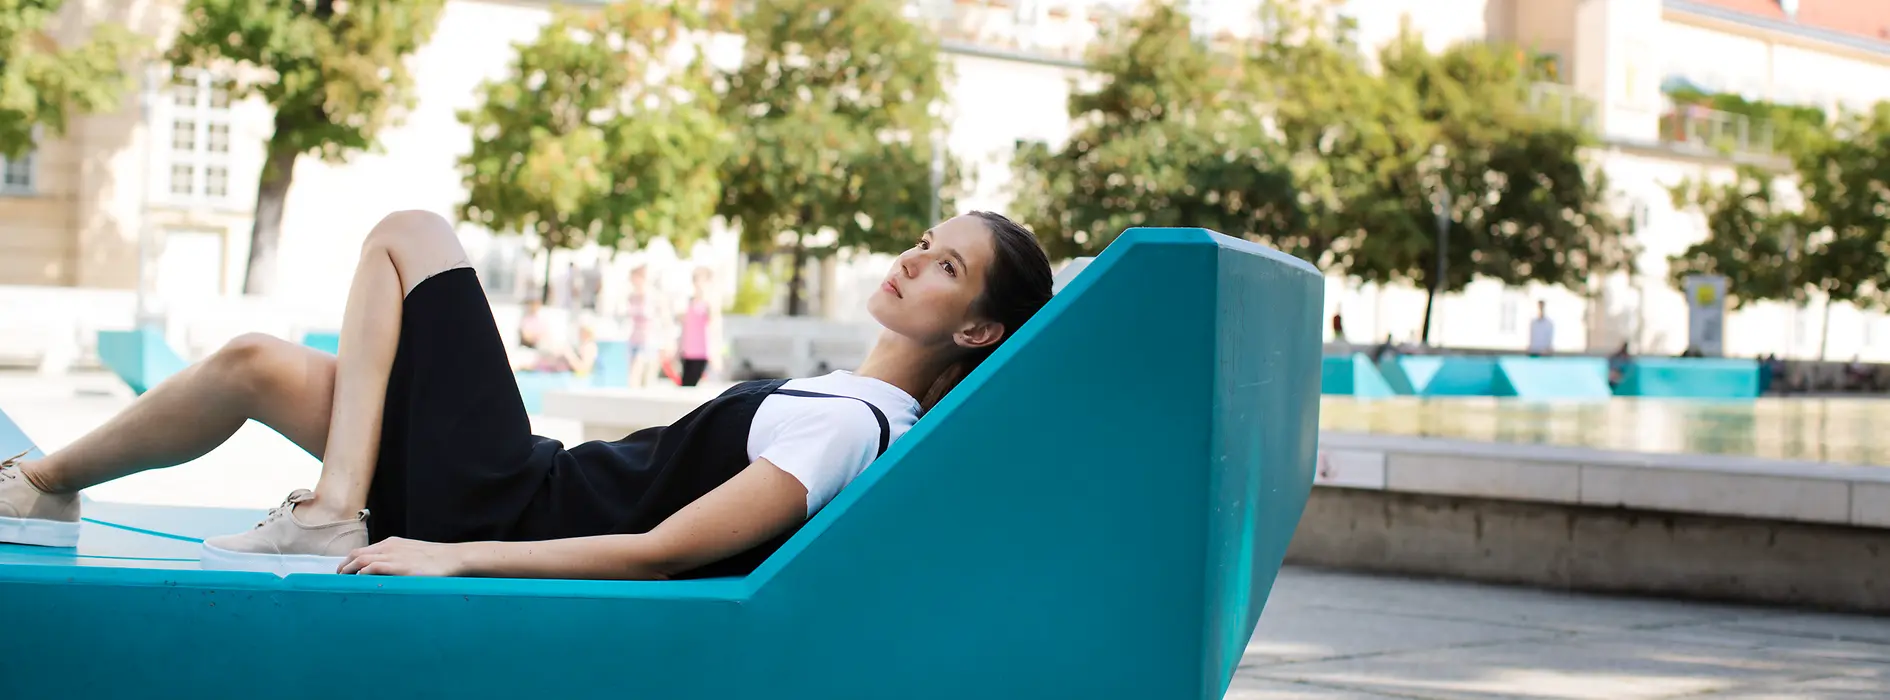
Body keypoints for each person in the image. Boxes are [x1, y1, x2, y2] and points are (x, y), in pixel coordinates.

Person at [0, 210, 1052, 580]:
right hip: (512, 485)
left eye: (947, 268)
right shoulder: (849, 399)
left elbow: (665, 550)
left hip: (508, 504)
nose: (914, 261)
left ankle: (329, 512)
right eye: (925, 243)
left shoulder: (854, 428)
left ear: (977, 331)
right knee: (254, 363)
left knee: (411, 233)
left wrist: (453, 551)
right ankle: (38, 485)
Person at [675, 265, 723, 387]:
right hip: (687, 352)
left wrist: (716, 354)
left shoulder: (709, 303)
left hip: (702, 353)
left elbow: (714, 326)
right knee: (685, 385)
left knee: (694, 385)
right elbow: (683, 326)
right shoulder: (688, 302)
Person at [624, 263, 667, 388]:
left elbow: (664, 320)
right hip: (634, 339)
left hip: (650, 340)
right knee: (634, 376)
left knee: (646, 377)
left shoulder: (654, 297)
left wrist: (664, 342)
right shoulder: (631, 296)